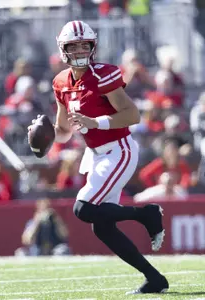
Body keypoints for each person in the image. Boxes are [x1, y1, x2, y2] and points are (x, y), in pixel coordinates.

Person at [28, 20, 168, 295]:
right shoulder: (60, 82)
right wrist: (43, 134)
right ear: (63, 49)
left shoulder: (102, 74)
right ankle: (155, 279)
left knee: (84, 209)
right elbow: (65, 131)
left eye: (84, 44)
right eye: (74, 45)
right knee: (102, 228)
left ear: (92, 47)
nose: (80, 49)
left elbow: (132, 115)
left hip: (119, 149)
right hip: (97, 155)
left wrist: (96, 122)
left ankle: (146, 214)